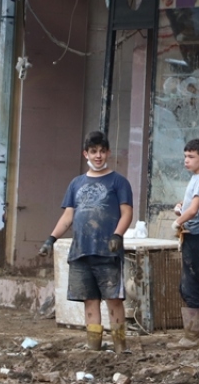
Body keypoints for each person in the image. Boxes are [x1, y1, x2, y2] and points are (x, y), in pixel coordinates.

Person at [38, 131, 134, 354]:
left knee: (113, 299)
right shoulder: (76, 183)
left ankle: (121, 347)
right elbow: (68, 216)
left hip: (108, 252)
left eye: (102, 151)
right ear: (86, 154)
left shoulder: (119, 182)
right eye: (93, 151)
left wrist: (117, 235)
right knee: (90, 300)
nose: (98, 156)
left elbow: (127, 213)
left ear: (108, 153)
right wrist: (51, 239)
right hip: (81, 252)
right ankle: (93, 347)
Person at [169, 138, 199, 350]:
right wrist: (181, 207)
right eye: (185, 156)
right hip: (196, 237)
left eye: (191, 157)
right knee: (188, 286)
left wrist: (178, 221)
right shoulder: (198, 178)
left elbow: (194, 209)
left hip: (197, 237)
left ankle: (193, 336)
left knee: (190, 288)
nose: (186, 160)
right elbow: (190, 205)